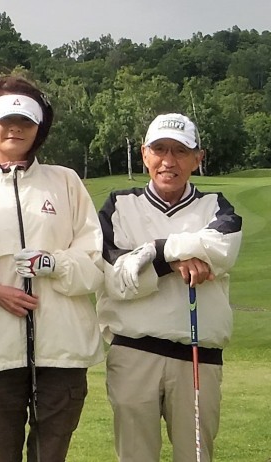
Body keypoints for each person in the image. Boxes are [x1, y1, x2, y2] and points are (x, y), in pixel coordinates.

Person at [0, 75, 105, 462]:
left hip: (63, 352)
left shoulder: (65, 182)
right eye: (6, 119)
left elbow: (93, 264)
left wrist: (53, 263)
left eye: (26, 121)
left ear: (39, 127)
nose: (15, 128)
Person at [96, 113, 243, 461]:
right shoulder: (119, 205)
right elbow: (117, 279)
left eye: (180, 151)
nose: (168, 160)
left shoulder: (216, 206)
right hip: (134, 353)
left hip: (198, 356)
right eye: (160, 149)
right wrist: (171, 261)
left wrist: (155, 250)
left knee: (196, 457)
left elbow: (222, 248)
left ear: (197, 158)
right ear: (144, 154)